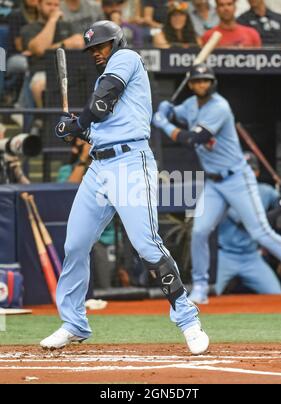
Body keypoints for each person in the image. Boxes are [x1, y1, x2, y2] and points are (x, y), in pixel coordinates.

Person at [40, 20, 209, 355]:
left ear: (115, 43)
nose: (97, 54)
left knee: (147, 245)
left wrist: (77, 122)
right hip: (99, 166)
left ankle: (188, 319)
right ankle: (73, 323)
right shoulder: (109, 72)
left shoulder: (127, 57)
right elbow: (101, 126)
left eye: (101, 46)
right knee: (75, 245)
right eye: (92, 50)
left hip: (131, 163)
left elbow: (100, 106)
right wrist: (74, 130)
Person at [152, 63, 281, 304]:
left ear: (213, 83)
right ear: (190, 84)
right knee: (199, 231)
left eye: (206, 80)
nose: (202, 85)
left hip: (237, 178)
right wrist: (169, 110)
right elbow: (180, 113)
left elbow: (195, 138)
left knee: (260, 232)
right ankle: (200, 286)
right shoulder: (189, 105)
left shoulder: (219, 107)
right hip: (214, 183)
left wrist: (164, 123)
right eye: (198, 81)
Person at [216, 152, 281, 296]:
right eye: (244, 171)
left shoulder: (265, 190)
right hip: (226, 255)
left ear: (258, 172)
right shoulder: (229, 192)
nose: (248, 174)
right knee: (207, 296)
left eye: (252, 170)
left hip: (251, 257)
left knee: (277, 295)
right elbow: (248, 222)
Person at [21, 0, 84, 107]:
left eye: (56, 5)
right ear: (39, 6)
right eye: (48, 4)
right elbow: (40, 49)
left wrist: (52, 47)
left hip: (70, 70)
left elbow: (79, 42)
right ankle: (45, 120)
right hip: (43, 70)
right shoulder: (29, 28)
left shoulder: (67, 26)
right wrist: (53, 20)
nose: (53, 8)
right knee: (39, 85)